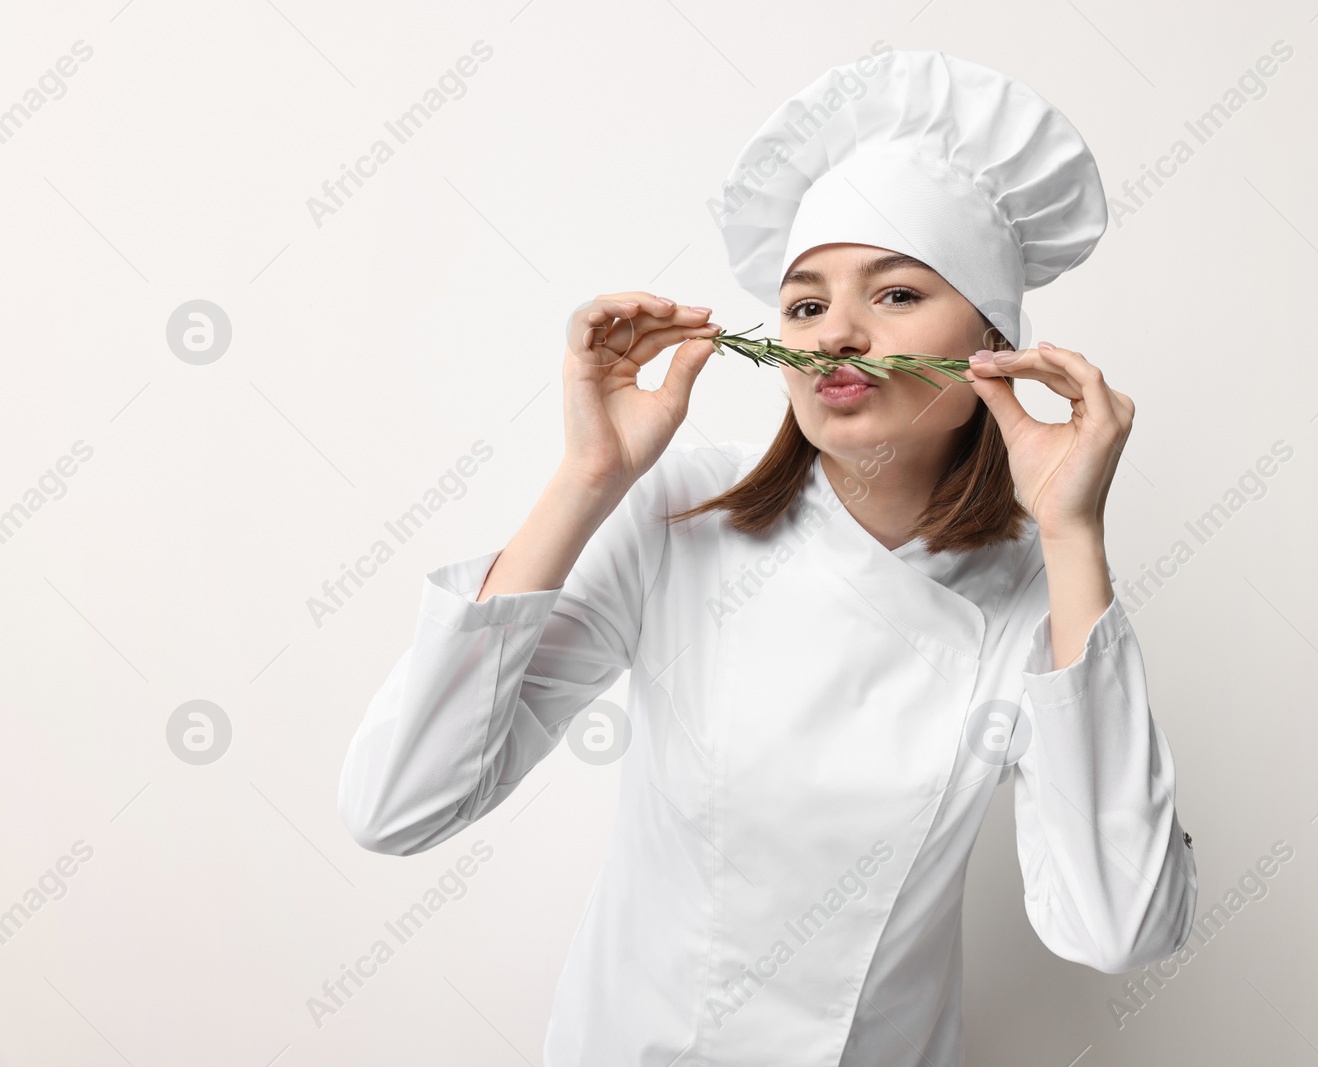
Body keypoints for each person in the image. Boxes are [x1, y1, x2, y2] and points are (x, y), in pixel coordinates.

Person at [338, 48, 1197, 1066]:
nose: (837, 332)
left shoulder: (1029, 602)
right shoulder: (679, 511)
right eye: (803, 304)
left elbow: (1118, 927)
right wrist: (587, 478)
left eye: (896, 294)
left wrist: (1070, 534)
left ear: (993, 345)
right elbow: (398, 805)